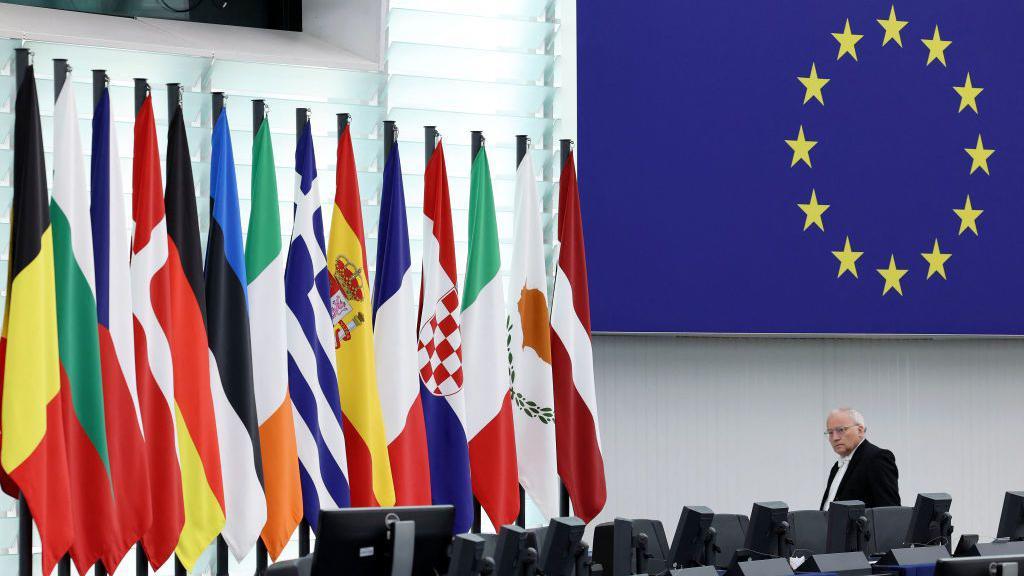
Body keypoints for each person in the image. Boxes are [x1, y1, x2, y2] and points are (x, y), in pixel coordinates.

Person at [819, 407, 900, 510]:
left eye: (840, 430)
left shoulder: (877, 458)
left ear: (860, 430)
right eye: (830, 432)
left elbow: (890, 511)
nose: (835, 438)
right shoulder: (837, 466)